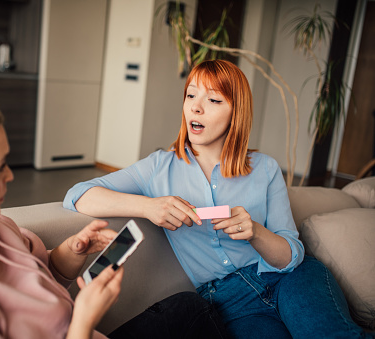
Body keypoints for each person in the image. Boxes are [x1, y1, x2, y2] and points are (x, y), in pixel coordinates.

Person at [0, 83, 226, 339]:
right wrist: (83, 321)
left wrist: (68, 254)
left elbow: (43, 274)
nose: (11, 175)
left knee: (192, 309)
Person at [64, 60, 373, 338]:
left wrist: (255, 231)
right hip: (226, 302)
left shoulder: (265, 168)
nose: (196, 108)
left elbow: (292, 256)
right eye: (191, 95)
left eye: (213, 100)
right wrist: (149, 206)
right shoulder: (158, 168)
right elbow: (77, 195)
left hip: (290, 280)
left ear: (235, 113)